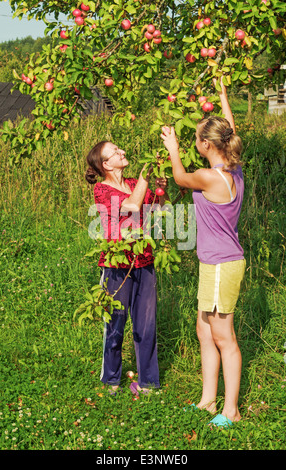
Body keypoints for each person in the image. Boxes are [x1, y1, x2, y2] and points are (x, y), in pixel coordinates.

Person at [160, 79, 245, 428]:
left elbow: (180, 179)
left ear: (206, 145)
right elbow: (231, 131)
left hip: (221, 265)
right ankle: (208, 401)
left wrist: (172, 146)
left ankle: (231, 410)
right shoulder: (233, 167)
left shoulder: (210, 177)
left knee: (224, 336)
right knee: (204, 330)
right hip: (217, 263)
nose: (195, 142)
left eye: (196, 139)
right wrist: (223, 97)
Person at [85, 141, 167, 395]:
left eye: (120, 148)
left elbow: (155, 208)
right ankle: (111, 379)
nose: (122, 151)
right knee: (116, 323)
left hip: (144, 261)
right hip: (117, 265)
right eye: (115, 151)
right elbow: (131, 206)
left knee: (146, 323)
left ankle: (148, 382)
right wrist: (145, 177)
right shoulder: (101, 190)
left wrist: (160, 191)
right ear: (106, 164)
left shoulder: (133, 184)